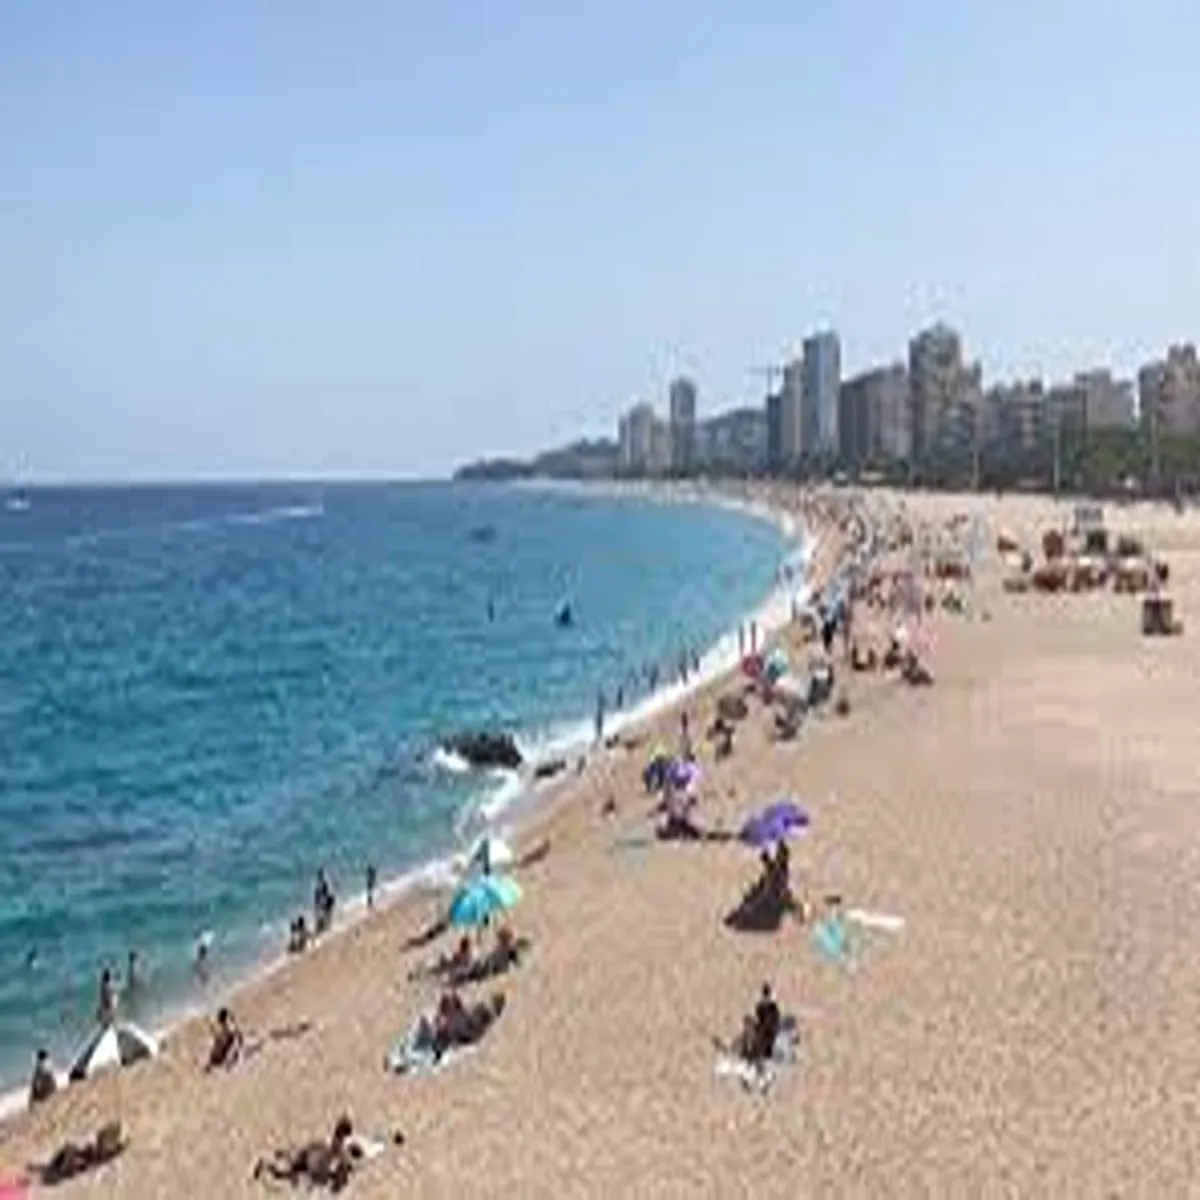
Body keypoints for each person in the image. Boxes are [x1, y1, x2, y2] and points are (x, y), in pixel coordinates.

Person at [253, 1115, 356, 1192]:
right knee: (283, 1173)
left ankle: (268, 1163)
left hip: (312, 1169)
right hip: (307, 1164)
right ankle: (265, 1163)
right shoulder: (328, 1145)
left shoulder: (339, 1149)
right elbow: (309, 1151)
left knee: (285, 1173)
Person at [206, 1007, 244, 1071]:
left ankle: (209, 1067)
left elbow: (216, 1039)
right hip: (221, 1056)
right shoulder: (229, 1028)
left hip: (216, 1056)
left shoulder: (221, 1029)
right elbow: (240, 1038)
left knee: (219, 1041)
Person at [751, 984, 781, 1064]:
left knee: (769, 1036)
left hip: (770, 1026)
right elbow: (757, 1013)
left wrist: (771, 1023)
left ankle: (768, 1052)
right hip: (763, 1024)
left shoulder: (772, 1005)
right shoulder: (762, 1004)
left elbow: (776, 1016)